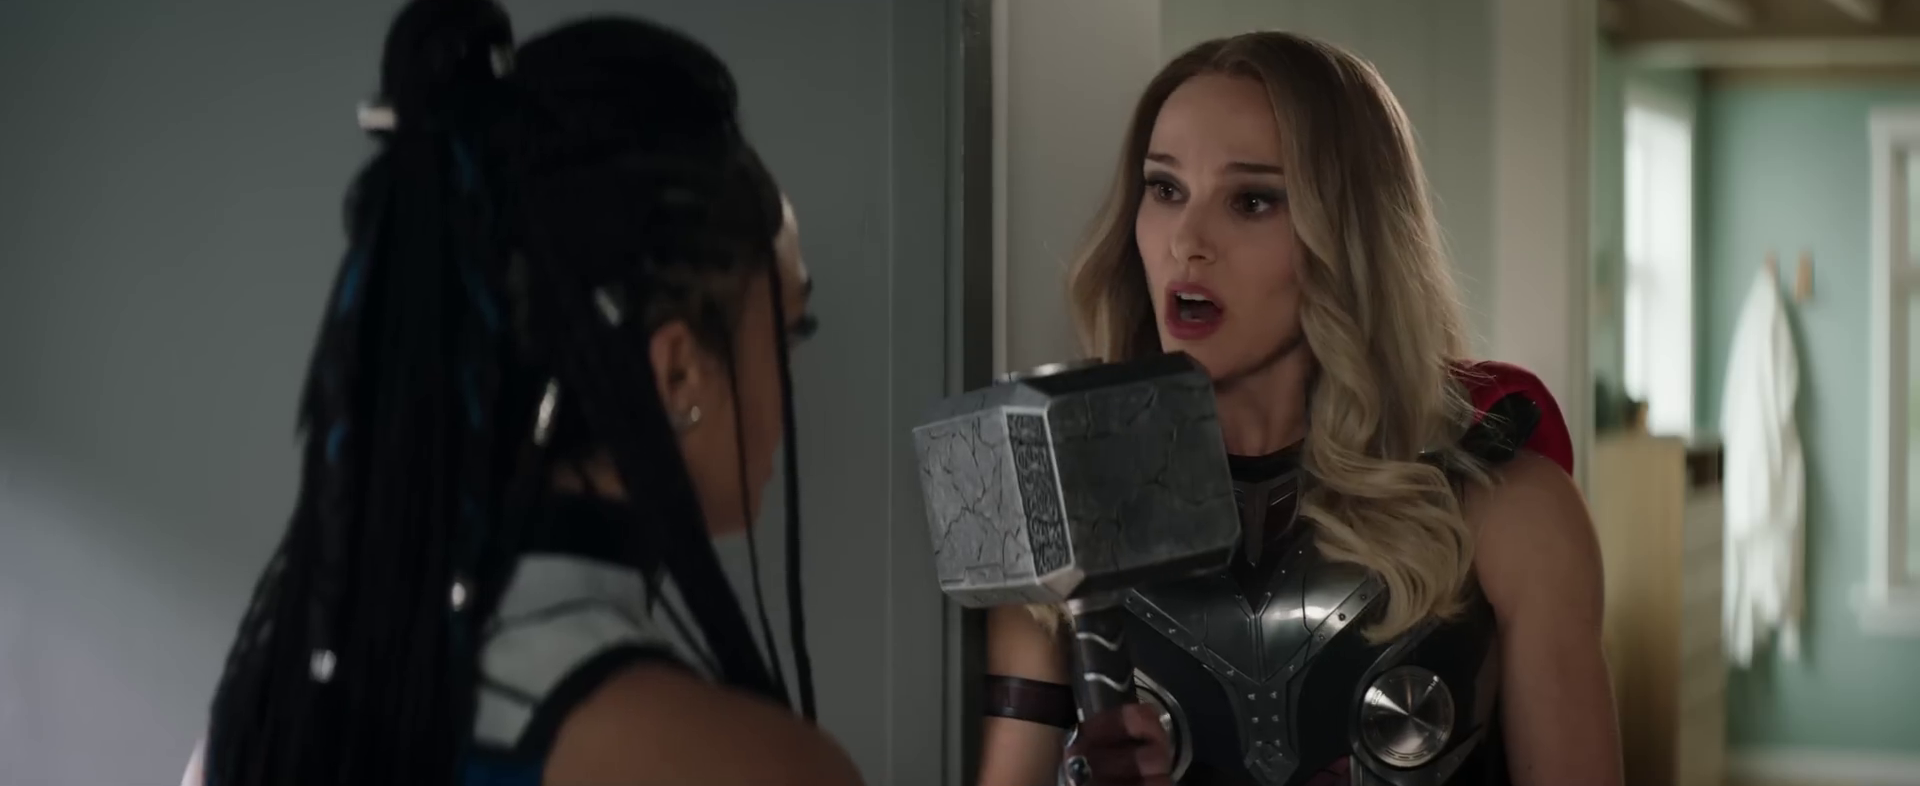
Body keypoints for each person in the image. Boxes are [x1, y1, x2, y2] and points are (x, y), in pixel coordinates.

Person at [189, 2, 862, 785]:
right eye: (789, 335)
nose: (791, 385)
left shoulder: (259, 723)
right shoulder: (745, 767)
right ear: (678, 372)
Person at [976, 32, 1623, 786]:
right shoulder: (1055, 511)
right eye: (1165, 189)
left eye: (1252, 201)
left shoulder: (1515, 511)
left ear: (1348, 234)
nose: (1188, 241)